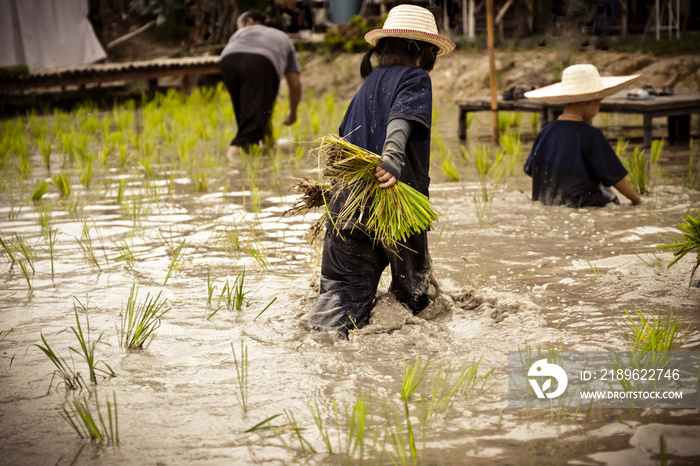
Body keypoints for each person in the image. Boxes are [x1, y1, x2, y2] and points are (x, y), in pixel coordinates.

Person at [307, 4, 455, 338]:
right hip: (395, 207)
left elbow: (339, 151)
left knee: (338, 298)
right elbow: (400, 119)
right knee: (414, 299)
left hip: (347, 206)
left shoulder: (365, 87)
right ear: (423, 51)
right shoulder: (415, 77)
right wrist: (391, 158)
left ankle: (319, 354)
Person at [523, 64, 643, 207]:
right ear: (591, 101)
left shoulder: (545, 131)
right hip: (584, 206)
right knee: (608, 195)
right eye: (599, 103)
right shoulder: (591, 135)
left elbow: (532, 170)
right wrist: (637, 200)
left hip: (548, 203)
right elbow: (615, 177)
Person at [220, 10, 302, 161]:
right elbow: (295, 85)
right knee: (249, 131)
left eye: (238, 26)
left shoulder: (238, 35)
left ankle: (263, 147)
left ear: (249, 22)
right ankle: (234, 169)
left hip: (227, 59)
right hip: (260, 61)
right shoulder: (282, 37)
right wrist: (293, 112)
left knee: (248, 117)